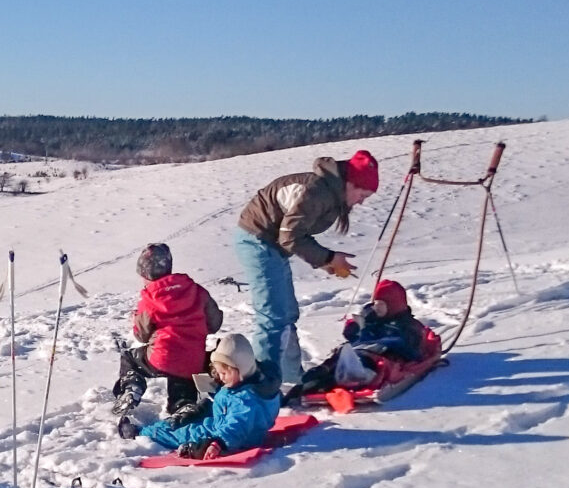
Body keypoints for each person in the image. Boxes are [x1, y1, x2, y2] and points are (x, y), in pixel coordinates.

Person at [233, 149, 379, 385]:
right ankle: (264, 387)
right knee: (272, 317)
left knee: (287, 314)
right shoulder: (316, 191)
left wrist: (326, 262)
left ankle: (290, 379)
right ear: (350, 184)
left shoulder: (330, 194)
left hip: (273, 246)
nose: (362, 201)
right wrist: (328, 258)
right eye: (362, 194)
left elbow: (294, 235)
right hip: (256, 241)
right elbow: (290, 236)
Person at [119, 333, 281, 460]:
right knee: (188, 419)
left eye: (225, 373)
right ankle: (157, 428)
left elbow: (237, 425)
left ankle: (141, 434)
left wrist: (218, 443)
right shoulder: (256, 384)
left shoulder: (244, 399)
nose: (221, 377)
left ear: (241, 369)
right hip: (227, 425)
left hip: (228, 436)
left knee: (184, 432)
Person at [112, 243, 223, 416]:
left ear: (144, 274)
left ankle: (131, 387)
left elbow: (141, 335)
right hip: (193, 358)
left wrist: (137, 319)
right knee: (183, 378)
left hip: (161, 357)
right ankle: (183, 406)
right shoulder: (196, 290)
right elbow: (214, 323)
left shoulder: (150, 298)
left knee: (130, 358)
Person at [288, 278, 432, 402]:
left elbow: (412, 351)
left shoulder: (408, 325)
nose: (377, 308)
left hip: (379, 358)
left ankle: (347, 378)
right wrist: (359, 323)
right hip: (357, 352)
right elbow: (351, 335)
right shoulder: (374, 318)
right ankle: (304, 385)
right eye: (376, 303)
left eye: (382, 304)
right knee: (327, 367)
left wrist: (378, 340)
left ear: (394, 305)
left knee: (363, 364)